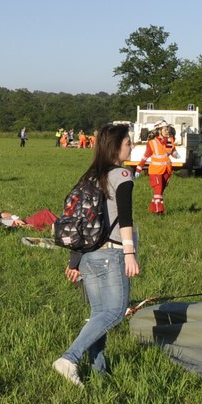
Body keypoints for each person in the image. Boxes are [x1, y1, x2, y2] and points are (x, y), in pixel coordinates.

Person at [53, 123, 140, 388]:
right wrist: (130, 253)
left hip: (88, 257)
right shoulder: (123, 175)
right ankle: (69, 359)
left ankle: (100, 371)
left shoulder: (90, 176)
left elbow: (81, 220)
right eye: (128, 143)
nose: (131, 146)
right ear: (116, 147)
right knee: (114, 313)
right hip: (112, 255)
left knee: (99, 314)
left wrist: (75, 260)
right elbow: (125, 217)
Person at [143, 121, 175, 214]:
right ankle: (159, 210)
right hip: (155, 170)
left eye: (168, 129)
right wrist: (139, 168)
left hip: (166, 170)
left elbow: (172, 151)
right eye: (165, 129)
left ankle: (152, 208)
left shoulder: (169, 140)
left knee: (160, 191)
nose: (167, 131)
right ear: (159, 131)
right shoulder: (152, 142)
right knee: (158, 189)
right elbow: (146, 156)